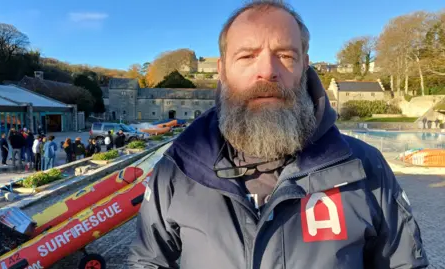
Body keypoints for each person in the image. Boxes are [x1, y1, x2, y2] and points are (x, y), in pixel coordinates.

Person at [126, 1, 429, 269]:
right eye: (247, 56)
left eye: (285, 55)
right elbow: (147, 260)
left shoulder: (364, 165)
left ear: (304, 65)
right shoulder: (179, 168)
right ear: (222, 70)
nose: (267, 71)